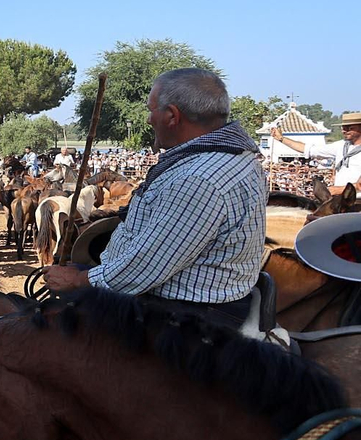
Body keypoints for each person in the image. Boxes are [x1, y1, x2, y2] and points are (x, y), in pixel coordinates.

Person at [44, 68, 265, 326]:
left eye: (151, 111)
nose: (149, 120)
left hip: (183, 310)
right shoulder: (236, 158)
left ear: (172, 116)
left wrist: (79, 280)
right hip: (181, 291)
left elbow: (144, 267)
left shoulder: (198, 179)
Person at [272, 111, 361, 190]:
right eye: (343, 128)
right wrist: (281, 139)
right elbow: (309, 149)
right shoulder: (341, 146)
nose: (344, 131)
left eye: (350, 128)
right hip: (342, 199)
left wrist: (338, 190)